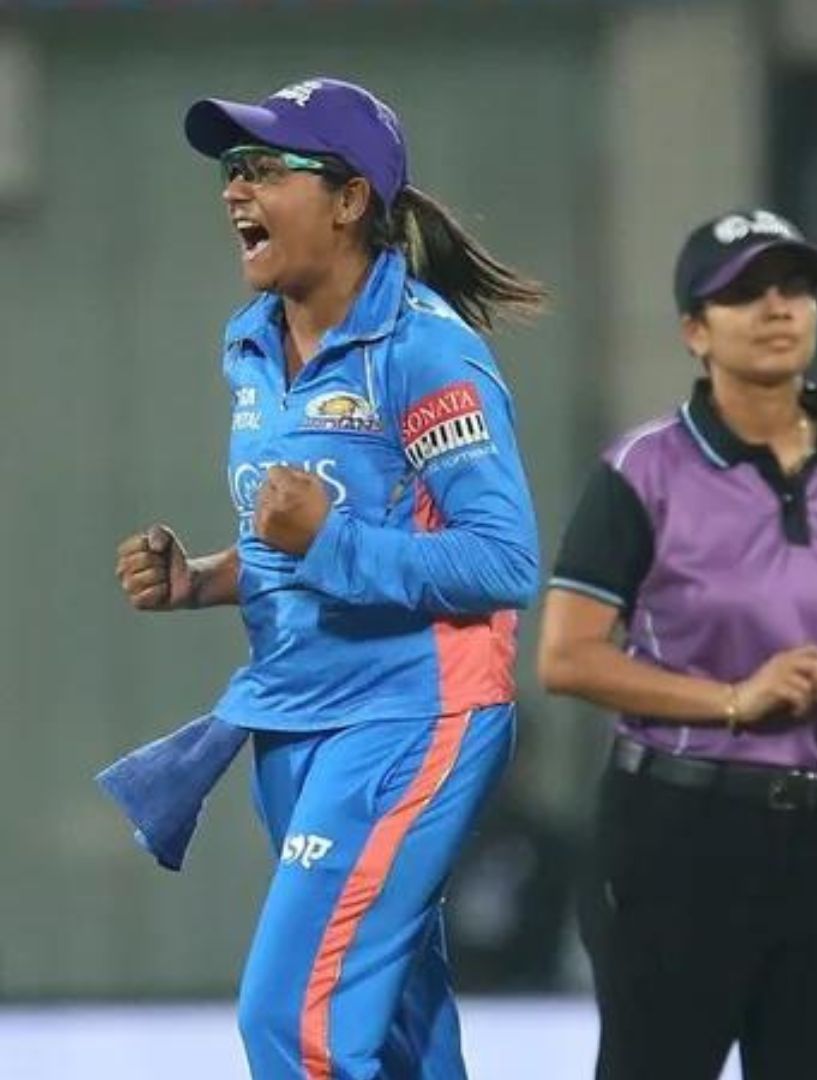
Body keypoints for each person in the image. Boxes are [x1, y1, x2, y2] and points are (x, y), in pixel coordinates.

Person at [111, 76, 545, 1079]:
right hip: (298, 721)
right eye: (231, 170)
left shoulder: (426, 352)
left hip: (412, 717)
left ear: (350, 199)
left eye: (265, 169)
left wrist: (327, 542)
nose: (234, 190)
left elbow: (503, 560)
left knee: (293, 1021)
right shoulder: (252, 342)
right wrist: (207, 579)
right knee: (397, 1030)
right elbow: (300, 541)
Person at [536, 208, 817, 1080]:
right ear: (695, 330)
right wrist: (733, 700)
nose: (777, 308)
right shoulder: (643, 470)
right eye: (744, 293)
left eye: (794, 288)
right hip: (682, 830)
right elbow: (568, 658)